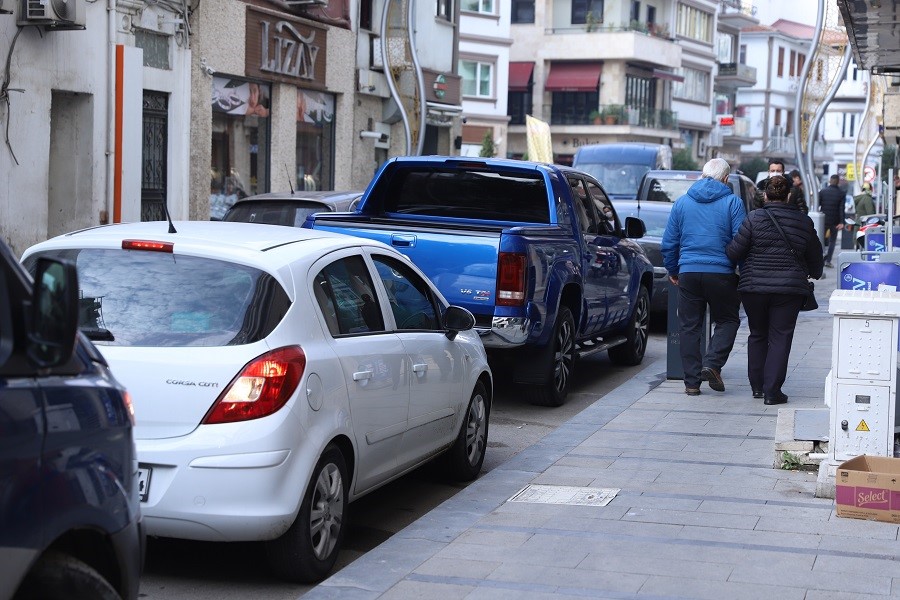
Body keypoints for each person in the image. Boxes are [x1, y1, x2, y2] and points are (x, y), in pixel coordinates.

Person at [726, 175, 824, 405]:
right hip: (789, 290)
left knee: (758, 334)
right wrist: (814, 273)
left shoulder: (753, 219)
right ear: (789, 195)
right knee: (780, 337)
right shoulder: (803, 221)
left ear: (765, 195)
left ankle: (757, 387)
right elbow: (815, 256)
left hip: (754, 288)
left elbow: (734, 252)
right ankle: (772, 391)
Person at [661, 158, 746, 396]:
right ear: (726, 179)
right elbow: (741, 240)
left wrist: (674, 270)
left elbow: (669, 243)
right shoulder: (733, 202)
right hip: (722, 273)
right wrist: (739, 267)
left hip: (688, 271)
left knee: (689, 327)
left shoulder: (682, 203)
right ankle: (712, 363)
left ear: (702, 174)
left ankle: (691, 383)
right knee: (728, 320)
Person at [819, 174, 846, 268]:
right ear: (838, 181)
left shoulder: (823, 191)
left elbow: (818, 205)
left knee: (820, 239)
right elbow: (841, 208)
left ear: (830, 181)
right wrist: (842, 222)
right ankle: (828, 260)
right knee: (832, 241)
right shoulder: (841, 193)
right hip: (835, 221)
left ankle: (819, 259)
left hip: (823, 219)